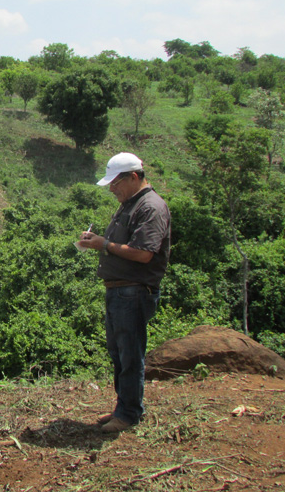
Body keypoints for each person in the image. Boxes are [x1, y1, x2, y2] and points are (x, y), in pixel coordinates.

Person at [77, 152, 170, 433]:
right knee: (118, 353)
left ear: (133, 177)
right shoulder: (130, 204)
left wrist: (103, 245)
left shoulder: (151, 207)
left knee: (130, 354)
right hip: (119, 291)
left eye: (116, 183)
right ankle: (123, 407)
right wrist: (98, 242)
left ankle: (129, 413)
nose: (112, 189)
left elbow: (143, 254)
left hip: (134, 292)